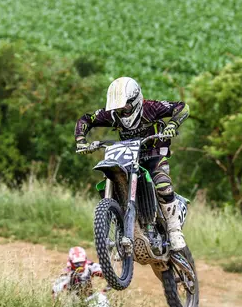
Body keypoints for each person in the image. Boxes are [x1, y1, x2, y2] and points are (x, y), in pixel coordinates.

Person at [74, 77, 189, 250]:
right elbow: (86, 119)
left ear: (135, 100)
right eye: (118, 108)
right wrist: (81, 140)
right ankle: (120, 219)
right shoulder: (112, 114)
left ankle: (174, 230)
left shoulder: (151, 107)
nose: (122, 111)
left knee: (162, 184)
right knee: (112, 174)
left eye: (126, 106)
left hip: (153, 154)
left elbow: (182, 107)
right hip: (127, 156)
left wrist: (172, 125)